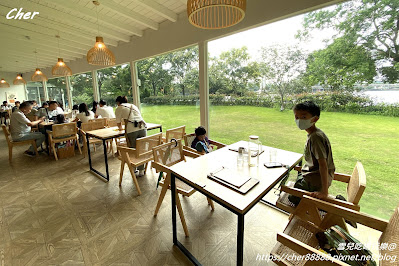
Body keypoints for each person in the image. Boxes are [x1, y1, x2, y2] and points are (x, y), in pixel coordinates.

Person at [288, 101, 335, 205]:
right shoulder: (313, 134)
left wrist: (324, 192)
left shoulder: (316, 137)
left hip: (315, 181)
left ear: (315, 119)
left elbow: (323, 165)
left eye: (304, 117)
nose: (299, 120)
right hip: (311, 175)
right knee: (297, 178)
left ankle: (326, 205)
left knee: (291, 197)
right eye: (297, 117)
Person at [115, 96, 147, 176]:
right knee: (141, 149)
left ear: (118, 102)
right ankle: (141, 170)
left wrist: (120, 129)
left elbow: (118, 123)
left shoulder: (119, 108)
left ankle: (133, 168)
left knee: (132, 149)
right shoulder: (133, 106)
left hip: (131, 130)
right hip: (142, 127)